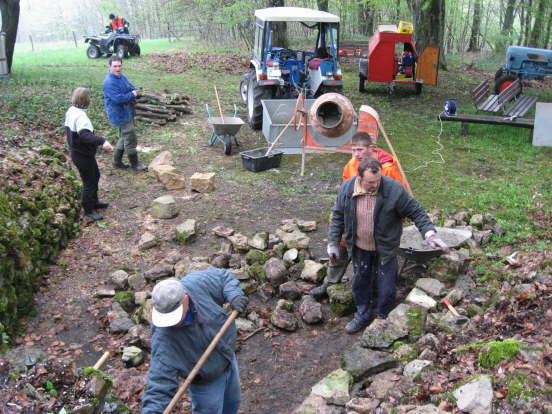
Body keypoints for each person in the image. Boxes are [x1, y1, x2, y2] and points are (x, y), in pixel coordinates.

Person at [328, 158, 449, 334]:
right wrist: (333, 243)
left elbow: (416, 211)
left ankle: (384, 317)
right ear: (359, 178)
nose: (375, 185)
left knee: (387, 287)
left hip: (385, 247)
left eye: (378, 181)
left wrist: (429, 233)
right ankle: (363, 315)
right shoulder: (347, 188)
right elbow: (338, 215)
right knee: (360, 282)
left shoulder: (393, 189)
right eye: (370, 182)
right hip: (359, 247)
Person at [310, 131, 407, 299]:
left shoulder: (388, 168)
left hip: (377, 222)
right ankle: (331, 282)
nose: (356, 154)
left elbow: (400, 197)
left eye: (360, 150)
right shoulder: (351, 165)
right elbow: (344, 193)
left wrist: (397, 219)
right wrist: (339, 216)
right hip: (353, 217)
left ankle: (375, 291)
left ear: (371, 148)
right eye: (353, 150)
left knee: (373, 256)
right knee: (341, 246)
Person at [141, 268, 248, 414]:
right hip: (205, 381)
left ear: (185, 299)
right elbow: (159, 382)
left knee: (232, 404)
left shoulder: (196, 284)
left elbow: (224, 277)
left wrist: (234, 295)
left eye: (174, 316)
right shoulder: (163, 337)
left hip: (228, 357)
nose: (171, 323)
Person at [64, 87, 113, 222]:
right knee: (89, 182)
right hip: (82, 155)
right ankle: (88, 210)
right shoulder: (80, 116)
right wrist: (102, 141)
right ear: (87, 100)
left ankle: (94, 201)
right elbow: (85, 135)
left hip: (79, 152)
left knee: (95, 175)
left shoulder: (71, 110)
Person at [103, 56, 147, 171]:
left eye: (119, 66)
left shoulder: (121, 77)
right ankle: (135, 165)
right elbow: (118, 99)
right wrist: (133, 94)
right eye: (115, 66)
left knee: (124, 136)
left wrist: (137, 91)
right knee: (130, 138)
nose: (118, 68)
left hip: (127, 111)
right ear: (109, 67)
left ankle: (116, 162)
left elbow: (130, 88)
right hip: (119, 114)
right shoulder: (109, 82)